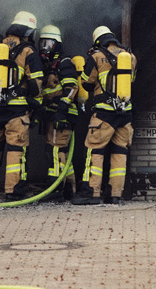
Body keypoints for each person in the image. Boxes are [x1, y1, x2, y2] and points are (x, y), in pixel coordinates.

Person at [0, 11, 44, 204]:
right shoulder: (28, 51)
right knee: (16, 151)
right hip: (17, 111)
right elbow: (36, 83)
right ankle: (13, 194)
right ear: (29, 31)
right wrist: (36, 104)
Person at [70, 26, 137, 206]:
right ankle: (115, 195)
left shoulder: (96, 56)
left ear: (97, 41)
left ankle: (90, 193)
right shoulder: (130, 56)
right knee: (119, 153)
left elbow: (86, 82)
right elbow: (131, 80)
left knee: (94, 151)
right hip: (125, 114)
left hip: (104, 114)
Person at [37, 24, 81, 201]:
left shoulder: (64, 63)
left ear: (56, 45)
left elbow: (72, 88)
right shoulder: (49, 67)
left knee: (54, 151)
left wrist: (61, 112)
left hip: (62, 115)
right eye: (42, 43)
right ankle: (69, 189)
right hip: (53, 115)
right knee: (63, 153)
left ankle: (55, 189)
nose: (44, 48)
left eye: (48, 44)